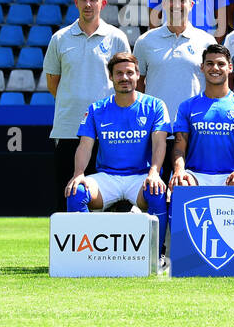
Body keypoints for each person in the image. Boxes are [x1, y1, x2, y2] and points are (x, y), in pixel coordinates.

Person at [63, 52, 169, 259]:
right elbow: (85, 146)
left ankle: (157, 256)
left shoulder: (155, 106)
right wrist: (78, 174)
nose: (124, 77)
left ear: (138, 75)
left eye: (130, 73)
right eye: (119, 73)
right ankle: (85, 255)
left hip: (140, 176)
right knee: (76, 192)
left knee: (156, 192)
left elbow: (159, 143)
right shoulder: (96, 109)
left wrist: (154, 172)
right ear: (111, 77)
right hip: (108, 177)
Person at [44, 0, 131, 209]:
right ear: (76, 2)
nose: (88, 4)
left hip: (108, 134)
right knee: (67, 198)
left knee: (111, 204)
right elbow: (54, 84)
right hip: (69, 130)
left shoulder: (117, 38)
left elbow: (126, 81)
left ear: (103, 3)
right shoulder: (59, 39)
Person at [169, 44, 234, 187]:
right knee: (181, 183)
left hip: (230, 175)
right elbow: (179, 147)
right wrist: (179, 170)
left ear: (230, 67)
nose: (215, 68)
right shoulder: (187, 106)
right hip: (195, 175)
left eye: (221, 64)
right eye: (210, 63)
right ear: (202, 67)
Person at [134, 0, 217, 132]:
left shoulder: (207, 41)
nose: (176, 5)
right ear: (164, 4)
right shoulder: (145, 41)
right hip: (156, 127)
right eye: (171, 0)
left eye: (182, 1)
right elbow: (138, 84)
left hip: (194, 126)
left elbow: (214, 84)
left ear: (191, 5)